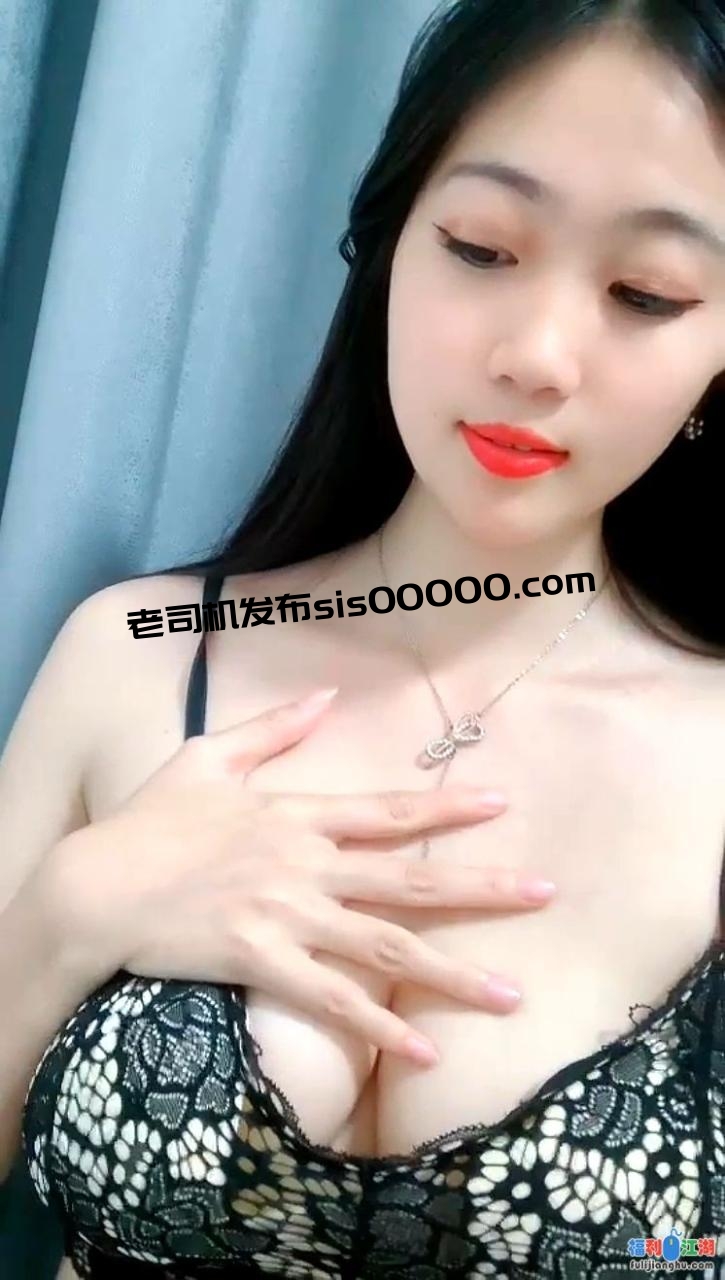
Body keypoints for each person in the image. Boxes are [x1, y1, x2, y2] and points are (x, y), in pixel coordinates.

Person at [2, 0, 725, 1275]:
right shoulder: (139, 653)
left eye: (643, 293)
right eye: (481, 247)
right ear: (391, 241)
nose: (536, 355)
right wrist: (75, 908)